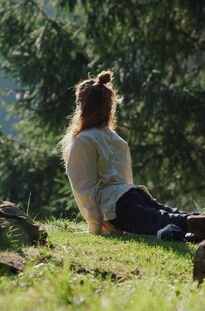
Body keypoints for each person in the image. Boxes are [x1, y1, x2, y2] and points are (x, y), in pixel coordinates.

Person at [60, 70, 197, 241]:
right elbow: (125, 180)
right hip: (134, 194)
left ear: (81, 108)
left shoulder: (84, 140)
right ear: (109, 108)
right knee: (176, 216)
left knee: (171, 220)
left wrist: (96, 227)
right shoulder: (117, 139)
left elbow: (84, 188)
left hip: (117, 206)